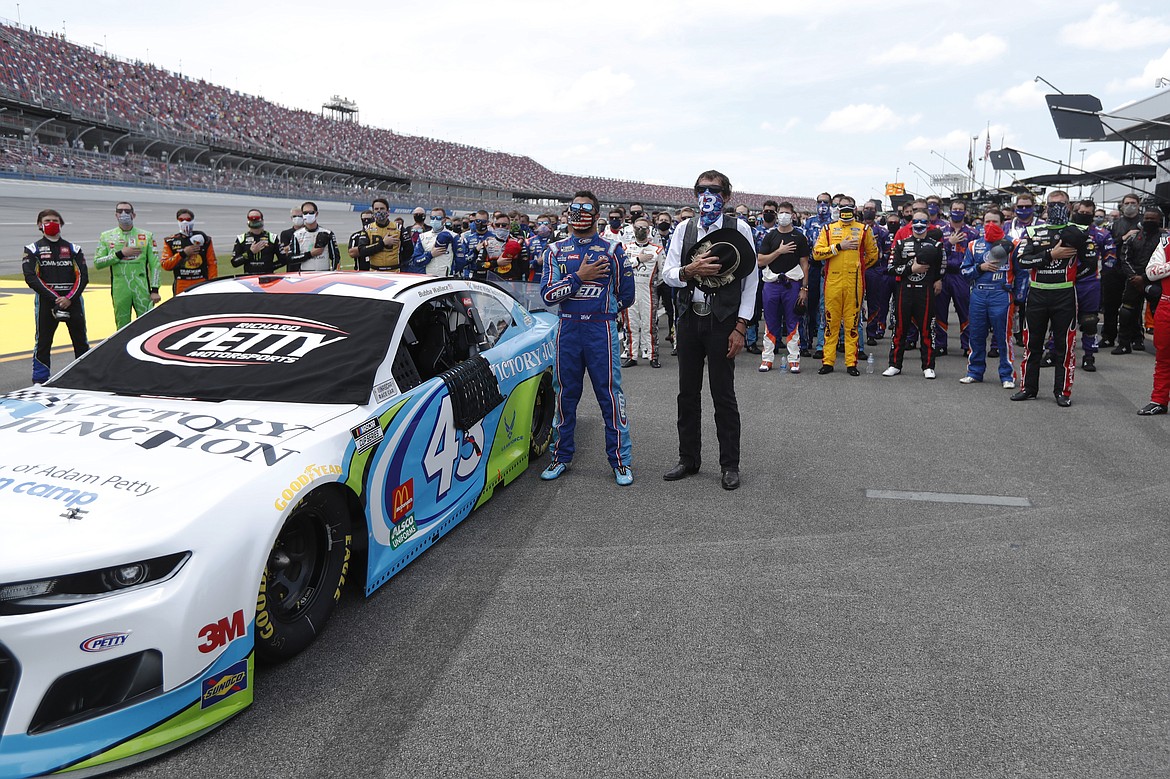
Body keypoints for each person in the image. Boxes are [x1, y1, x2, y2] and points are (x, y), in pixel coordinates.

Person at [662, 170, 759, 491]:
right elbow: (669, 273)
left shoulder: (739, 227)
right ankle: (688, 458)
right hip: (690, 317)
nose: (708, 195)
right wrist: (689, 270)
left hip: (723, 320)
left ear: (727, 196)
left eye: (715, 190)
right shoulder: (683, 228)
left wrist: (741, 326)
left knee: (723, 394)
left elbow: (750, 280)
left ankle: (729, 464)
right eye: (702, 190)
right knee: (687, 393)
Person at [539, 190, 635, 486]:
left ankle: (621, 462)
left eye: (586, 208)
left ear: (597, 215)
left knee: (610, 395)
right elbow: (547, 296)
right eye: (574, 208)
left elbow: (627, 295)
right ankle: (560, 456)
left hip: (600, 331)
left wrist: (601, 309)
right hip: (567, 329)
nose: (579, 213)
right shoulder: (554, 251)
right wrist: (580, 276)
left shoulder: (612, 249)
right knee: (564, 396)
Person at [1011, 191, 1097, 406]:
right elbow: (1022, 261)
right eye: (1052, 204)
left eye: (1061, 204)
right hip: (1037, 293)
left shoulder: (1080, 232)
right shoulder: (1033, 231)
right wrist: (1050, 255)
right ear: (1046, 207)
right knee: (1032, 344)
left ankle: (1063, 392)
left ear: (1069, 206)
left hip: (1065, 294)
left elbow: (1090, 264)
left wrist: (1071, 277)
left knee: (1065, 346)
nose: (1056, 207)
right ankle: (1028, 388)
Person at [811, 200, 878, 375]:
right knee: (830, 323)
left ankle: (851, 363)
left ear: (855, 210)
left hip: (854, 284)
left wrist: (860, 268)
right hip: (832, 283)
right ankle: (828, 361)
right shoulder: (828, 229)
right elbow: (817, 253)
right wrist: (839, 247)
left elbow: (873, 255)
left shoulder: (864, 230)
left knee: (852, 325)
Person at [23, 208, 88, 384]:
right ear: (39, 225)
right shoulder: (32, 249)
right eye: (47, 220)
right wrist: (55, 299)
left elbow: (83, 276)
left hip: (72, 301)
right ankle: (40, 380)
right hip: (47, 302)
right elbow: (31, 277)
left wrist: (69, 298)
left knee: (80, 340)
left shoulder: (74, 248)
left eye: (55, 221)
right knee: (43, 342)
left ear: (61, 224)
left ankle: (84, 377)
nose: (52, 224)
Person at [883, 212, 944, 379]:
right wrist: (911, 269)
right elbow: (890, 268)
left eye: (922, 221)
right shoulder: (902, 243)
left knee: (927, 329)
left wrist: (938, 280)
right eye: (915, 221)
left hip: (925, 291)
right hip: (904, 290)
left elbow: (941, 267)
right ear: (911, 223)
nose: (919, 224)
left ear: (928, 223)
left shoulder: (936, 245)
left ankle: (928, 366)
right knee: (899, 328)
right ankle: (894, 364)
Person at [959, 208, 1015, 387]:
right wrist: (979, 268)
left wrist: (1017, 294)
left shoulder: (1013, 244)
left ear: (1002, 223)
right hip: (979, 294)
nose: (990, 225)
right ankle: (974, 372)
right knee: (976, 335)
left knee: (1003, 337)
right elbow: (964, 271)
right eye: (987, 222)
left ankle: (1007, 376)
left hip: (1001, 295)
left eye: (995, 222)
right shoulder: (973, 245)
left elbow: (1022, 274)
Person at [757, 201, 810, 373]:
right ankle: (767, 359)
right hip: (772, 284)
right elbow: (760, 261)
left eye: (787, 213)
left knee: (793, 321)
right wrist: (779, 251)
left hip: (792, 284)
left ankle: (794, 359)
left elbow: (805, 265)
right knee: (770, 322)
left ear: (793, 215)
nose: (784, 216)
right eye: (781, 213)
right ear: (777, 215)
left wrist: (804, 288)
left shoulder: (800, 237)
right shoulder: (770, 236)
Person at [94, 201, 161, 329]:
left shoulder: (146, 236)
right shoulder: (106, 236)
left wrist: (155, 289)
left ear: (133, 215)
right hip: (120, 287)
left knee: (147, 324)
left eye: (127, 211)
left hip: (142, 287)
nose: (123, 214)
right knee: (122, 325)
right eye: (120, 211)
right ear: (116, 215)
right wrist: (120, 254)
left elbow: (155, 265)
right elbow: (98, 263)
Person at [1113, 205, 1165, 354]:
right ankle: (1124, 344)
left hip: (1156, 280)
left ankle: (1162, 346)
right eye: (1147, 218)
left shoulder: (1165, 238)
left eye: (1152, 219)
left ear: (1159, 220)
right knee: (1126, 312)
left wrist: (1145, 277)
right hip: (1133, 280)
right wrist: (1134, 277)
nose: (1149, 221)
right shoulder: (1134, 237)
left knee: (1159, 314)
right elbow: (1124, 258)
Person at [1073, 199, 1113, 371]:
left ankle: (1089, 356)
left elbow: (1111, 257)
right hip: (1065, 281)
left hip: (1090, 284)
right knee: (1060, 320)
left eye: (1088, 214)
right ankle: (1054, 352)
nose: (1084, 216)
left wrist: (1102, 273)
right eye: (1081, 213)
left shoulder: (1101, 234)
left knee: (1089, 322)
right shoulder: (1067, 230)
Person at [620, 217, 665, 368]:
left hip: (648, 290)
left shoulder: (657, 249)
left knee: (649, 325)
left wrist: (653, 285)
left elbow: (663, 273)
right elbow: (620, 268)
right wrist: (638, 260)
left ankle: (653, 356)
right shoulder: (625, 248)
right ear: (633, 229)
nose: (641, 230)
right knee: (631, 324)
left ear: (649, 230)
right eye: (638, 227)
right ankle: (632, 355)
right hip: (630, 291)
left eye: (644, 228)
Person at [935, 199, 977, 356]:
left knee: (965, 311)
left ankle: (967, 345)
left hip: (962, 276)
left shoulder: (973, 233)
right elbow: (934, 252)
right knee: (940, 310)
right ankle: (940, 344)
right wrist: (948, 243)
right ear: (949, 211)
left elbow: (976, 255)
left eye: (961, 209)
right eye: (955, 209)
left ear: (965, 212)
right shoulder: (940, 231)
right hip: (943, 274)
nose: (957, 212)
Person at [1102, 193, 1143, 347]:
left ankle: (1135, 337)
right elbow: (1107, 244)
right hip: (1114, 270)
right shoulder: (1114, 224)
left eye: (1133, 203)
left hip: (1135, 270)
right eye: (1127, 203)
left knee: (1134, 306)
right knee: (1110, 305)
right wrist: (1124, 237)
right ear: (1122, 205)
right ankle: (1108, 336)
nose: (1130, 205)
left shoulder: (1145, 222)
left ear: (1138, 205)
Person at [1139, 240, 1170, 415]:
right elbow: (1151, 273)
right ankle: (1159, 400)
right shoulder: (1166, 243)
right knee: (1164, 357)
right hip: (1167, 305)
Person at [160, 208, 217, 294]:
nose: (184, 222)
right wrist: (183, 253)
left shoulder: (204, 238)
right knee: (181, 307)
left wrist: (212, 282)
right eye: (181, 220)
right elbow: (166, 265)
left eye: (188, 219)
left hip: (201, 281)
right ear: (177, 221)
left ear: (193, 221)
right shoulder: (170, 241)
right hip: (181, 282)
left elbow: (212, 263)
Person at [862, 199, 893, 345]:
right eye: (866, 208)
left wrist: (881, 256)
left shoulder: (883, 231)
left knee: (875, 303)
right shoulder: (856, 228)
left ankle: (872, 333)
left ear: (876, 212)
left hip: (875, 270)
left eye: (872, 209)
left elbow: (889, 251)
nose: (869, 211)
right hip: (857, 269)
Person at [230, 209, 286, 275]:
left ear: (262, 220)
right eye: (251, 219)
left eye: (256, 218)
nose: (254, 220)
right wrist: (250, 253)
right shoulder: (241, 238)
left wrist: (270, 267)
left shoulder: (272, 238)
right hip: (248, 277)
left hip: (268, 277)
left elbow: (284, 260)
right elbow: (234, 262)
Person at [353, 198, 402, 271]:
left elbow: (409, 251)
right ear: (373, 212)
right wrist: (383, 243)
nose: (379, 211)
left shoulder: (398, 228)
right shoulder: (367, 229)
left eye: (382, 208)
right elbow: (362, 250)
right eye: (376, 209)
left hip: (394, 270)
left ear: (388, 211)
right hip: (375, 271)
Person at [290, 201, 340, 271]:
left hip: (324, 274)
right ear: (302, 215)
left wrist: (334, 273)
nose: (308, 215)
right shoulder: (297, 235)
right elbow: (292, 258)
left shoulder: (327, 233)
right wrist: (310, 254)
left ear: (316, 214)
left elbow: (335, 257)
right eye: (305, 213)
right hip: (305, 275)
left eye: (311, 213)